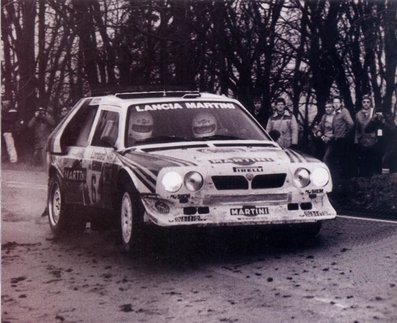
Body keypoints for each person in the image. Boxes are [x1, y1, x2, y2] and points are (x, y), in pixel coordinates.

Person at [328, 96, 355, 179]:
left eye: (337, 102)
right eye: (334, 102)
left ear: (341, 103)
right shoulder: (336, 113)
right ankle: (340, 176)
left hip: (343, 139)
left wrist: (345, 133)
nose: (335, 104)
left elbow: (351, 124)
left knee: (343, 158)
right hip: (337, 139)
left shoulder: (344, 111)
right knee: (338, 158)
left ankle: (345, 177)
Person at [354, 95, 381, 177]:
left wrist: (378, 138)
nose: (366, 104)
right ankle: (363, 175)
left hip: (372, 139)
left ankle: (371, 175)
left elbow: (378, 126)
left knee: (371, 158)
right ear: (362, 103)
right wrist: (356, 140)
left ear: (370, 103)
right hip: (362, 140)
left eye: (368, 102)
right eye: (364, 102)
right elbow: (357, 128)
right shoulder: (358, 114)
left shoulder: (374, 113)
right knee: (363, 159)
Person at [313, 100, 335, 165]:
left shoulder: (336, 117)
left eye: (329, 107)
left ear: (333, 108)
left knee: (326, 158)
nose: (327, 109)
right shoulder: (324, 116)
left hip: (333, 141)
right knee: (317, 155)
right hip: (324, 139)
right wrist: (318, 131)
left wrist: (330, 138)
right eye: (326, 107)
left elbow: (339, 131)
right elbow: (319, 126)